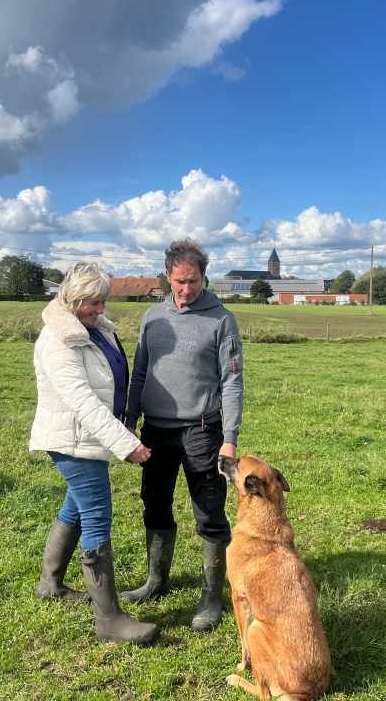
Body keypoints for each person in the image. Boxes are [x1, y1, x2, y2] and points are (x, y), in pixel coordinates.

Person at [28, 262, 159, 645]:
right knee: (97, 515)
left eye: (103, 302)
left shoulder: (94, 328)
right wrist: (126, 444)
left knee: (76, 507)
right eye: (94, 302)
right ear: (73, 298)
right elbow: (83, 401)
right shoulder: (59, 339)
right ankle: (109, 620)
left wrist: (123, 423)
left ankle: (50, 585)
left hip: (90, 436)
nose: (100, 309)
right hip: (73, 439)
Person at [121, 238, 244, 632]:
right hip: (155, 431)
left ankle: (211, 596)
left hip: (202, 430)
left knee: (209, 512)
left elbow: (232, 381)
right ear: (167, 276)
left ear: (204, 277)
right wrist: (129, 421)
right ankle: (155, 581)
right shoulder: (152, 317)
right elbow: (140, 372)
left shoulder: (222, 320)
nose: (186, 289)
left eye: (193, 281)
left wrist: (230, 437)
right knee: (155, 506)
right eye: (179, 281)